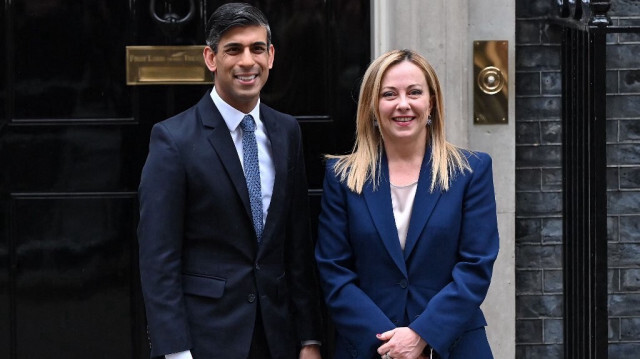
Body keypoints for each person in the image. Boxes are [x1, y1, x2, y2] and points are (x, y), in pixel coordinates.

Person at [137, 3, 323, 359]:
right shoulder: (173, 140)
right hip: (207, 339)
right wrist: (175, 350)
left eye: (256, 49)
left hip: (278, 336)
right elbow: (158, 259)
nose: (246, 62)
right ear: (211, 58)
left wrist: (309, 338)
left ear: (271, 56)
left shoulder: (287, 132)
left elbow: (297, 245)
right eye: (233, 50)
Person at [315, 49, 499, 359]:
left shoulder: (471, 171)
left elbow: (476, 267)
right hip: (368, 348)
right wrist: (390, 344)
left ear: (432, 103)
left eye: (414, 92)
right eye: (389, 94)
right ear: (373, 107)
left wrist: (421, 334)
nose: (403, 104)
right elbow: (334, 273)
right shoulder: (342, 177)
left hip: (454, 345)